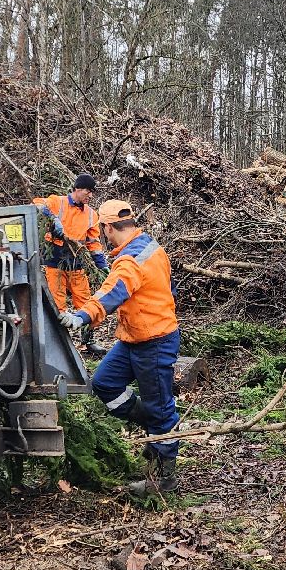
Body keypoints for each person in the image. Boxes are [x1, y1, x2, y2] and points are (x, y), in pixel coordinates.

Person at [59, 200, 181, 498]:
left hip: (154, 341)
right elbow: (170, 288)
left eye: (103, 230)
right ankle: (151, 423)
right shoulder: (151, 246)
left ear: (107, 227)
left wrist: (82, 316)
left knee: (161, 407)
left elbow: (111, 292)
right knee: (104, 383)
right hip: (133, 339)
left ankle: (163, 482)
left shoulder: (129, 261)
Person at [34, 174, 108, 355]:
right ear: (77, 188)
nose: (90, 196)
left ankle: (88, 341)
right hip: (54, 260)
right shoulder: (56, 202)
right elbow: (35, 203)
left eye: (92, 193)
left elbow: (93, 241)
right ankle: (60, 344)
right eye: (87, 191)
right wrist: (53, 219)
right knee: (57, 303)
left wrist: (101, 264)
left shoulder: (91, 214)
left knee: (85, 301)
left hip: (77, 261)